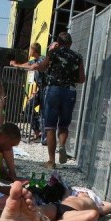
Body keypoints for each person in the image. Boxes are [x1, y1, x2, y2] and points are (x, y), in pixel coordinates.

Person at [37, 32, 85, 169]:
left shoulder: (53, 53)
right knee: (64, 125)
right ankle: (62, 145)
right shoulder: (77, 57)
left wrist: (51, 51)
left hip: (53, 90)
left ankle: (51, 161)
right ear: (70, 44)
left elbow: (41, 67)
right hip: (69, 92)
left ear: (57, 42)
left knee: (50, 126)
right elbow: (82, 79)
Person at [11, 43, 46, 142]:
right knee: (28, 108)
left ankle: (42, 135)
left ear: (34, 51)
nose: (29, 51)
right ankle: (37, 131)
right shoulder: (34, 60)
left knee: (43, 112)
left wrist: (15, 65)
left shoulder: (42, 60)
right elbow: (25, 65)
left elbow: (32, 67)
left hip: (46, 90)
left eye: (30, 49)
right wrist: (15, 65)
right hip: (41, 90)